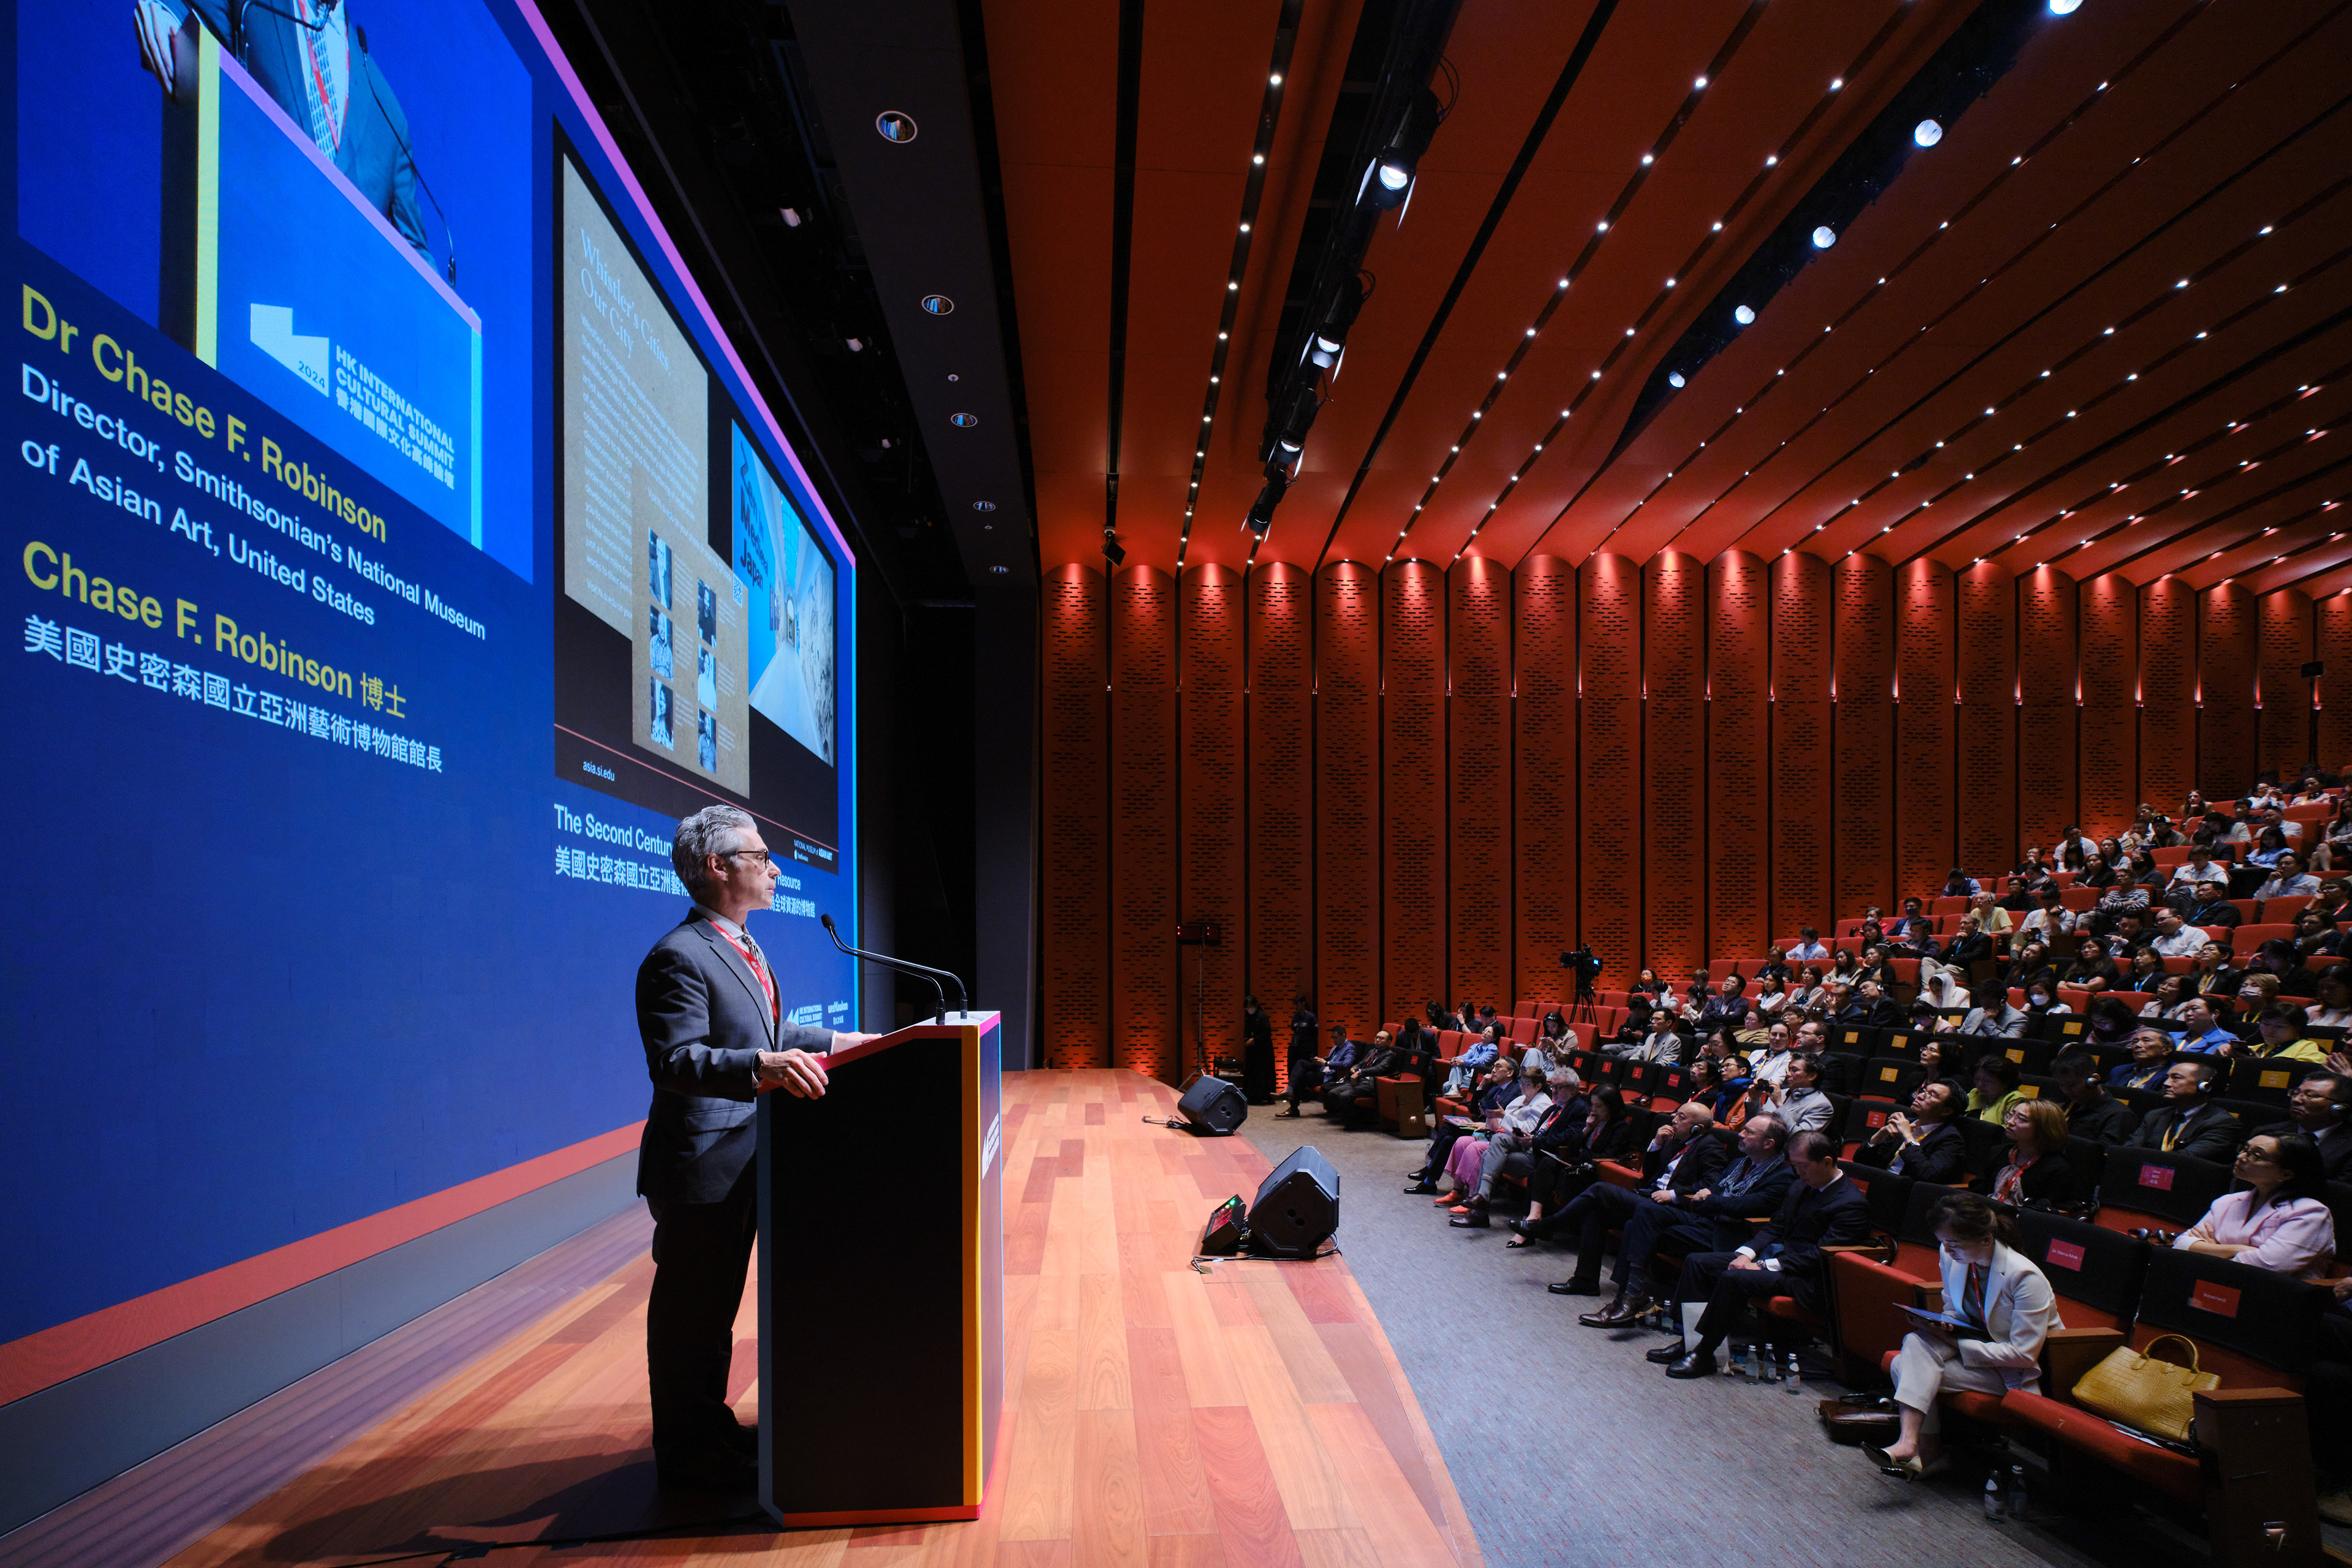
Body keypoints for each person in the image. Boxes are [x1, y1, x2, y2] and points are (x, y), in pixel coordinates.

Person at [633, 805, 876, 1487]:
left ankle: (710, 1436)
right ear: (717, 866)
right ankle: (686, 1458)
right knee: (692, 1317)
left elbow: (764, 1033)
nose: (775, 868)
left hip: (745, 1157)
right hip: (700, 1166)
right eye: (761, 856)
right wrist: (762, 1068)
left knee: (717, 1312)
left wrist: (839, 1042)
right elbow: (675, 1061)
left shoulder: (741, 945)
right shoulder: (678, 956)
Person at [133, 0, 432, 256]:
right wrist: (165, 13)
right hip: (248, 263)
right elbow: (181, 11)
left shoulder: (389, 116)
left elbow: (419, 266)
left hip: (336, 299)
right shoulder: (250, 5)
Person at [1865, 1193, 2060, 1479]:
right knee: (1916, 1341)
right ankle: (1911, 1445)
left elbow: (2023, 1354)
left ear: (1986, 1240)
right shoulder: (1951, 1256)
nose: (1946, 1249)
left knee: (1902, 1365)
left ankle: (1924, 1451)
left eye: (1954, 1243)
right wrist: (1938, 1325)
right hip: (1979, 1353)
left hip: (2018, 1372)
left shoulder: (2024, 1277)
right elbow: (1954, 1310)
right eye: (1943, 1241)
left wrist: (1955, 1342)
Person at [1658, 1131, 1872, 1377]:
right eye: (1795, 1165)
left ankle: (1704, 1353)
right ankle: (1688, 1341)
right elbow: (1775, 1226)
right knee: (1698, 1262)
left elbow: (1820, 1256)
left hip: (1806, 1278)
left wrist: (1762, 1266)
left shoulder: (1851, 1204)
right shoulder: (1801, 1185)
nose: (1797, 1172)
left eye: (1802, 1166)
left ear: (1826, 1162)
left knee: (1735, 1278)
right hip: (1779, 1261)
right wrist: (1747, 1254)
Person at [1575, 1115, 1795, 1324]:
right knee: (1644, 1214)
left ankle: (1626, 1301)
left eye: (1749, 1132)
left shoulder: (1783, 1177)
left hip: (1727, 1236)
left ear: (1769, 1143)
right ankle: (1629, 1298)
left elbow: (1742, 1206)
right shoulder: (1740, 1163)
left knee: (1634, 1226)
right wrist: (1715, 1201)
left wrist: (1713, 1200)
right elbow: (1712, 1197)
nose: (1741, 1134)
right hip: (1706, 1221)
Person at [1528, 1101, 1725, 1284]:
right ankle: (1584, 1281)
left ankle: (1547, 1224)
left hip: (1670, 1208)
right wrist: (1657, 1143)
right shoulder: (1674, 1141)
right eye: (1676, 1114)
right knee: (1595, 1212)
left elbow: (1711, 1186)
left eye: (1682, 1117)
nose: (1674, 1119)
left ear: (1697, 1127)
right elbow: (1650, 1175)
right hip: (1647, 1197)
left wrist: (1673, 1195)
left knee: (1600, 1189)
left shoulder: (1710, 1147)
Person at [2174, 1134, 2337, 1277]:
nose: (2241, 1157)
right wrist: (2238, 1250)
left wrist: (2208, 1249)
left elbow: (2266, 1267)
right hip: (2212, 1285)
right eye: (2244, 1149)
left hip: (2272, 1296)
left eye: (2256, 1156)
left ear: (2286, 1174)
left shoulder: (2310, 1213)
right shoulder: (2228, 1201)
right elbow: (2181, 1244)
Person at [1445, 1064, 1555, 1226]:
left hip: (1526, 1149)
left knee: (1487, 1152)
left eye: (1526, 1084)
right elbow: (1499, 1125)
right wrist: (1491, 1116)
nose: (1522, 1087)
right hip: (1506, 1141)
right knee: (1484, 1146)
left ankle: (1479, 1204)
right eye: (1521, 1083)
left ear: (1538, 1086)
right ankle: (1472, 1199)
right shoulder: (1520, 1099)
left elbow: (1530, 1130)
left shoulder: (1543, 1103)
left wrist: (1503, 1116)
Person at [1853, 1079, 1969, 1183]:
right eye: (1923, 1091)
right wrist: (1878, 1137)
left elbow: (1928, 1176)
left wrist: (1908, 1137)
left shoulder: (1950, 1140)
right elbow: (1860, 1161)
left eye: (1932, 1095)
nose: (1919, 1096)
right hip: (1879, 1182)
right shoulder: (1905, 1123)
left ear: (1946, 1111)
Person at [2126, 1058, 2242, 1161]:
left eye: (2176, 1078)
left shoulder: (2223, 1123)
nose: (2166, 1084)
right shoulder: (2155, 1116)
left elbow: (2187, 1159)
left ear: (2204, 1087)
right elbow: (2129, 1151)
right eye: (2166, 1078)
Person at [1987, 1100, 2082, 1206]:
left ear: (2043, 1128)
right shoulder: (1998, 1152)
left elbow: (2047, 1211)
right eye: (2011, 1115)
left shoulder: (2056, 1169)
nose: (2010, 1122)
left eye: (2021, 1119)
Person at [2052, 1049, 2139, 1144]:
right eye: (2062, 1085)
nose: (2067, 1091)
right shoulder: (2065, 1106)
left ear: (2094, 1080)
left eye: (2073, 1085)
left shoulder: (2119, 1115)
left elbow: (2103, 1151)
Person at [1771, 1052, 1834, 1134]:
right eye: (1789, 1070)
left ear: (1812, 1076)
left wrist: (1779, 1105)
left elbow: (1799, 1137)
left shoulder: (1821, 1105)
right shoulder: (1781, 1093)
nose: (1788, 1074)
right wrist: (1755, 1098)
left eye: (1795, 1070)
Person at [2245, 1003, 2329, 1063]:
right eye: (2266, 1024)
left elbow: (2302, 1075)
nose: (2270, 1030)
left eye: (2279, 1026)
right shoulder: (2251, 1049)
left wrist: (2257, 1063)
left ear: (2297, 1028)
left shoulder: (2309, 1048)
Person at [2171, 994, 2238, 1055]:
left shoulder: (2227, 1040)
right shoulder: (2172, 1036)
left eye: (2194, 1009)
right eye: (2186, 1010)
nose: (2188, 1014)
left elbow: (2206, 1061)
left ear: (2215, 1014)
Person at [1967, 1055, 2025, 1125]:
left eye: (1988, 1081)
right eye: (1977, 1079)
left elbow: (2010, 1128)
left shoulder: (2014, 1099)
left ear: (2005, 1083)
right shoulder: (1975, 1093)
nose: (1979, 1084)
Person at [1240, 995, 1276, 1103]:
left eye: (1251, 1007)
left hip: (1263, 1050)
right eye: (1247, 1008)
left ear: (1256, 1005)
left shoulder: (1262, 1016)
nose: (1249, 1010)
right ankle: (1253, 1096)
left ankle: (1264, 1096)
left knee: (1263, 1074)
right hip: (1253, 1051)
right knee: (1252, 1074)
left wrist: (1255, 1039)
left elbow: (1267, 1033)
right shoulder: (1248, 1017)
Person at [1960, 987, 2028, 1036]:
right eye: (1983, 1004)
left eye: (1989, 1004)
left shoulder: (2018, 1019)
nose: (1984, 1008)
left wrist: (1989, 1023)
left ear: (2002, 1001)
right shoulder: (1976, 1012)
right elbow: (1961, 1034)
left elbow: (2010, 1043)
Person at [2257, 851, 2321, 901]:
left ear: (2300, 866)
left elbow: (2317, 903)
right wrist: (2269, 881)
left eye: (2288, 863)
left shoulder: (2313, 881)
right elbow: (2259, 900)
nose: (2283, 866)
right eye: (2280, 864)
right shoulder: (2276, 883)